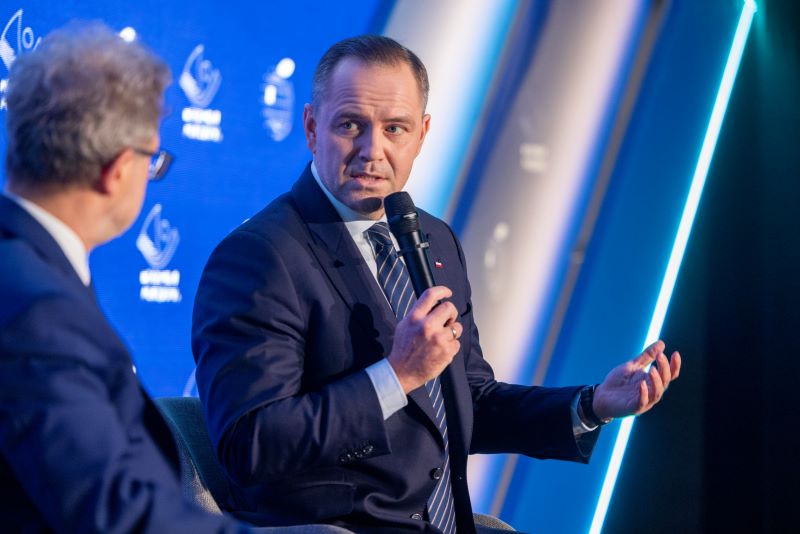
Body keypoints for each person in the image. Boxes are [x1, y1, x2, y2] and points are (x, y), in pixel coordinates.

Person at [192, 35, 681, 534]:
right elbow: (250, 445)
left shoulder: (432, 237)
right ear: (313, 127)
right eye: (350, 125)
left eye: (394, 128)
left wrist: (591, 405)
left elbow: (468, 401)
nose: (372, 151)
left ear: (422, 135)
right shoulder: (259, 257)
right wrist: (396, 375)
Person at [0, 22, 351, 534]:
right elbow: (116, 514)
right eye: (155, 161)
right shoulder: (38, 309)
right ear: (118, 169)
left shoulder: (29, 272)